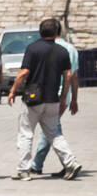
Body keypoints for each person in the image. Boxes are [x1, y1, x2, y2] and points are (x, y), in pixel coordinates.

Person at [7, 17, 79, 181]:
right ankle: (70, 162)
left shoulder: (32, 48)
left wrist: (12, 90)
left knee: (26, 133)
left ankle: (24, 170)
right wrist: (63, 97)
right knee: (54, 134)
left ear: (40, 31)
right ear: (57, 32)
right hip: (52, 99)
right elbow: (68, 75)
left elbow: (24, 72)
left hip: (33, 99)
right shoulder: (63, 51)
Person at [29, 32, 81, 177]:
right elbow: (74, 76)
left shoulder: (50, 48)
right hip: (65, 95)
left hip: (50, 94)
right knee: (52, 128)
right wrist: (74, 98)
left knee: (52, 130)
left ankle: (66, 162)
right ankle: (61, 163)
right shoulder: (71, 49)